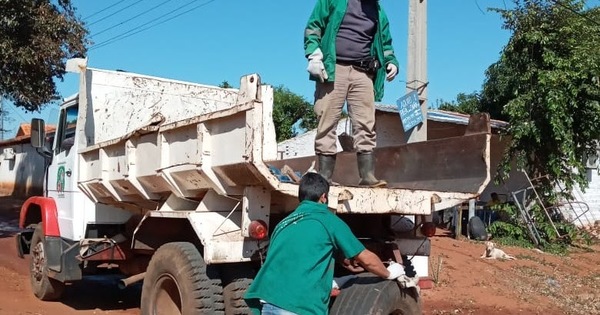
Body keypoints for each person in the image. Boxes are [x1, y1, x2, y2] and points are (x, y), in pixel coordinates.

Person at [244, 173, 405, 315]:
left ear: (301, 197)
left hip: (269, 302)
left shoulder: (283, 224)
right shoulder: (328, 220)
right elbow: (366, 258)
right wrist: (389, 273)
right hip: (298, 307)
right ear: (323, 197)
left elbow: (294, 260)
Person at [304, 0, 400, 187]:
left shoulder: (378, 11)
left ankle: (367, 176)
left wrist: (391, 61)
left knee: (366, 123)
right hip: (334, 68)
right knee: (327, 121)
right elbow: (314, 26)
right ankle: (325, 177)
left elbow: (385, 42)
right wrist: (314, 54)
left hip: (363, 72)